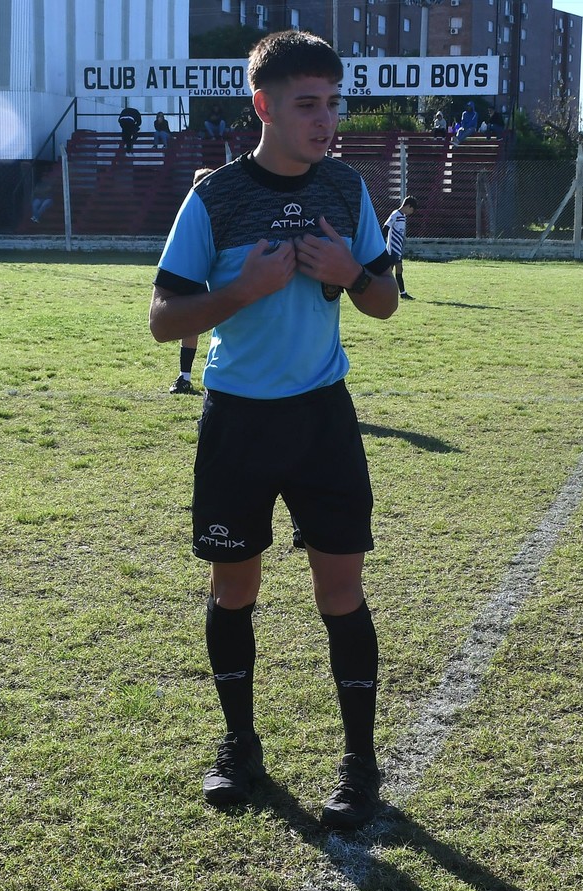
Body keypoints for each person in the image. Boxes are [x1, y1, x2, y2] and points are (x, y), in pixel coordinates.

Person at [148, 29, 399, 829]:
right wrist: (242, 289)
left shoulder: (346, 189)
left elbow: (384, 301)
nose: (326, 119)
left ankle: (358, 763)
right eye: (307, 104)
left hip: (322, 419)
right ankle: (239, 744)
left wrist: (351, 274)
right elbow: (162, 320)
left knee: (341, 592)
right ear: (263, 105)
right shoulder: (214, 197)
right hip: (238, 423)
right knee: (233, 587)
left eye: (333, 102)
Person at [170, 167, 217, 395]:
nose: (198, 189)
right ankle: (184, 377)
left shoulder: (223, 212)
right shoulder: (191, 213)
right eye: (196, 184)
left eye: (202, 183)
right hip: (198, 272)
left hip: (219, 275)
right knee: (191, 324)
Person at [382, 195, 416, 299]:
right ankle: (386, 292)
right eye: (412, 210)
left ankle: (402, 293)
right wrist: (383, 243)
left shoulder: (403, 216)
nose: (411, 213)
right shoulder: (395, 214)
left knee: (398, 269)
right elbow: (386, 227)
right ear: (408, 206)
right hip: (392, 249)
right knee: (390, 271)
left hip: (398, 248)